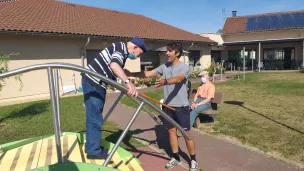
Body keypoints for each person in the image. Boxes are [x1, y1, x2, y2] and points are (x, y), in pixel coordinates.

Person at [124, 42, 199, 171]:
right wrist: (131, 73)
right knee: (171, 132)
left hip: (181, 107)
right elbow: (147, 74)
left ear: (177, 53)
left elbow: (179, 79)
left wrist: (165, 81)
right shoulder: (164, 66)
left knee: (186, 134)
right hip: (167, 106)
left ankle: (193, 161)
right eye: (167, 50)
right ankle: (175, 157)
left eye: (169, 51)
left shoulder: (184, 67)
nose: (166, 53)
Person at [81, 36, 147, 159]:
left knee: (95, 117)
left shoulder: (121, 50)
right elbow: (114, 65)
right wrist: (128, 82)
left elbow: (114, 69)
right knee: (94, 118)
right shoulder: (121, 48)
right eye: (139, 54)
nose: (138, 57)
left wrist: (125, 81)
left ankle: (92, 146)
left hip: (95, 83)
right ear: (135, 47)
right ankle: (93, 151)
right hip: (93, 83)